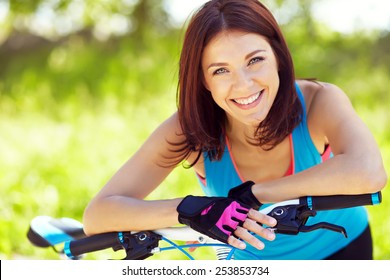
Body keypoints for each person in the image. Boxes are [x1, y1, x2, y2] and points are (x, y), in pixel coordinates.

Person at [82, 0, 387, 260]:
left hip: (341, 248)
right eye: (221, 70)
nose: (243, 85)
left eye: (255, 60)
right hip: (249, 265)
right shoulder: (190, 128)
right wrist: (193, 209)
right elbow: (97, 216)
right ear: (203, 80)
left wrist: (255, 195)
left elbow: (369, 172)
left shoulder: (319, 100)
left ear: (278, 57)